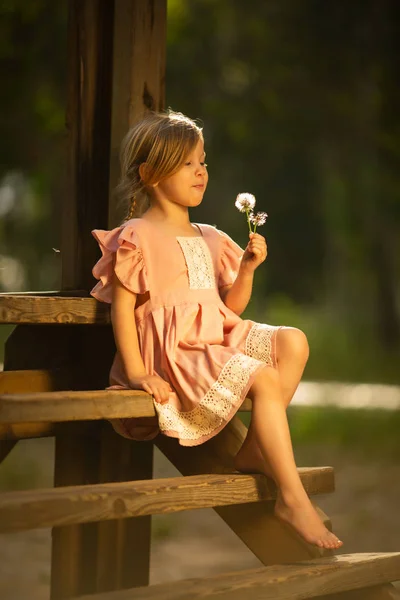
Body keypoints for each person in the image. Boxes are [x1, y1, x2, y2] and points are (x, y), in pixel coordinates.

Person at [90, 109, 343, 550]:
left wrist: (246, 270)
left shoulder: (209, 236)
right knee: (261, 375)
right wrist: (136, 372)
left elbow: (228, 308)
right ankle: (292, 499)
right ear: (150, 174)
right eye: (187, 163)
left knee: (293, 342)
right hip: (176, 353)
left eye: (203, 161)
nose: (200, 171)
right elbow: (123, 308)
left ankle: (254, 450)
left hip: (214, 338)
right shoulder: (138, 235)